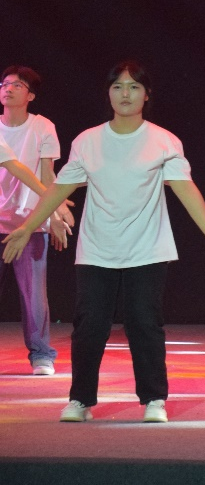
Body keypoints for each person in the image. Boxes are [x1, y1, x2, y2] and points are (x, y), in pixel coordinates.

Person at [1, 61, 205, 424]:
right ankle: (80, 400)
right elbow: (59, 188)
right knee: (89, 325)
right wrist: (29, 226)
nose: (125, 94)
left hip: (147, 248)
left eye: (133, 87)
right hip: (97, 248)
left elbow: (184, 187)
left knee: (144, 322)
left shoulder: (163, 140)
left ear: (146, 95)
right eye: (118, 87)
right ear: (108, 94)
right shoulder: (88, 140)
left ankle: (154, 399)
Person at [0, 66, 73, 376]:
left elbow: (46, 174)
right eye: (4, 83)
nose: (8, 88)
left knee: (34, 295)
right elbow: (15, 168)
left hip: (29, 222)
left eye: (17, 85)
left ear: (30, 95)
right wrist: (57, 204)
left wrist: (52, 214)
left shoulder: (43, 126)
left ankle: (42, 355)